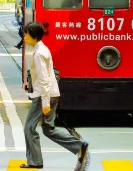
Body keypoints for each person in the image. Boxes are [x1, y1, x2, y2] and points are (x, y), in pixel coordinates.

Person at [21, 22, 89, 169]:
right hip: (53, 93)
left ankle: (34, 162)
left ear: (33, 35)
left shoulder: (39, 53)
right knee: (48, 129)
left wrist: (45, 103)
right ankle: (79, 145)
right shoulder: (43, 48)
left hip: (44, 95)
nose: (24, 37)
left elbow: (44, 79)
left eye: (26, 34)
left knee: (29, 127)